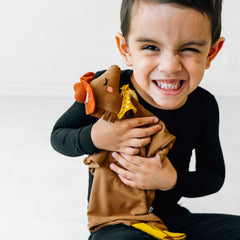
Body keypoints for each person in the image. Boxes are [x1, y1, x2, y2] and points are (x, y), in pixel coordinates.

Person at [51, 0, 240, 239]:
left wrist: (171, 179)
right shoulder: (107, 88)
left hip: (171, 219)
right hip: (117, 223)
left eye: (189, 48)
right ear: (126, 49)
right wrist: (94, 136)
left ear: (211, 52)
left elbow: (213, 177)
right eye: (151, 47)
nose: (170, 66)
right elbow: (58, 136)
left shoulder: (204, 105)